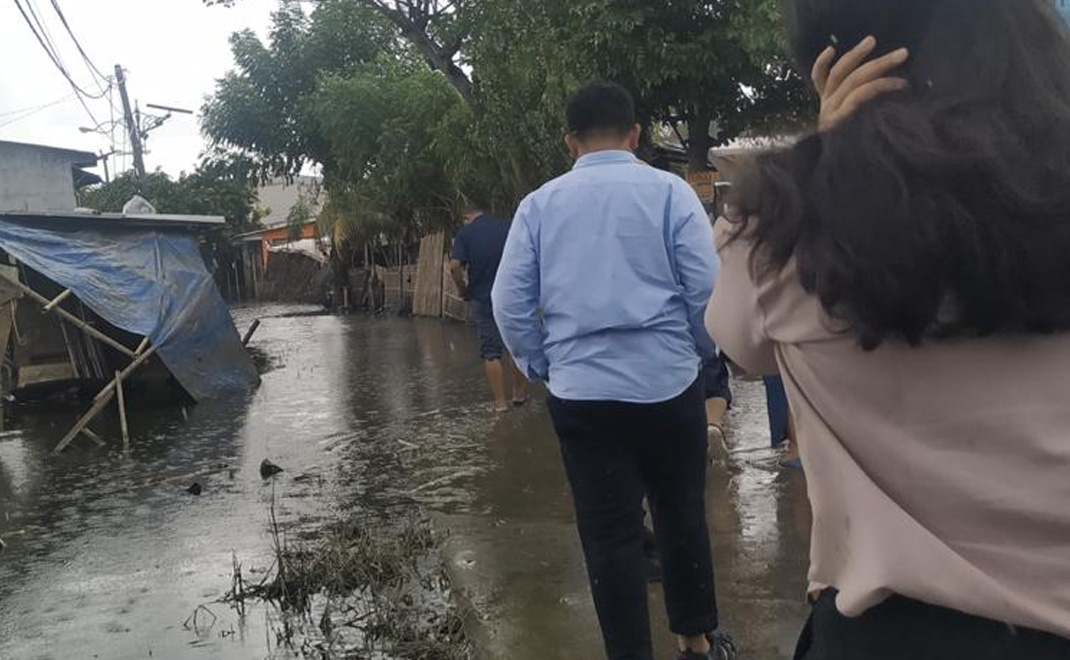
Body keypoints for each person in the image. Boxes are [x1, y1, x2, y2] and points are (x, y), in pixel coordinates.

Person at [707, 0, 1070, 657]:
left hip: (885, 634)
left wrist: (826, 150)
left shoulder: (778, 229)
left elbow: (742, 345)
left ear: (837, 56)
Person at [493, 81, 734, 660]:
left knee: (609, 536)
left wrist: (544, 364)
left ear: (569, 141)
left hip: (583, 395)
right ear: (635, 135)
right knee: (680, 514)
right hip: (668, 384)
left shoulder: (539, 206)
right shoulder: (670, 194)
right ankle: (695, 640)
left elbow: (509, 303)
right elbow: (705, 287)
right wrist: (702, 355)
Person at [449, 203, 527, 413]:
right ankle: (519, 394)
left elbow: (455, 266)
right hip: (512, 295)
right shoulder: (509, 226)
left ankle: (500, 404)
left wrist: (463, 288)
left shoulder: (465, 234)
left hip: (483, 298)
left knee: (491, 353)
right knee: (515, 347)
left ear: (466, 217)